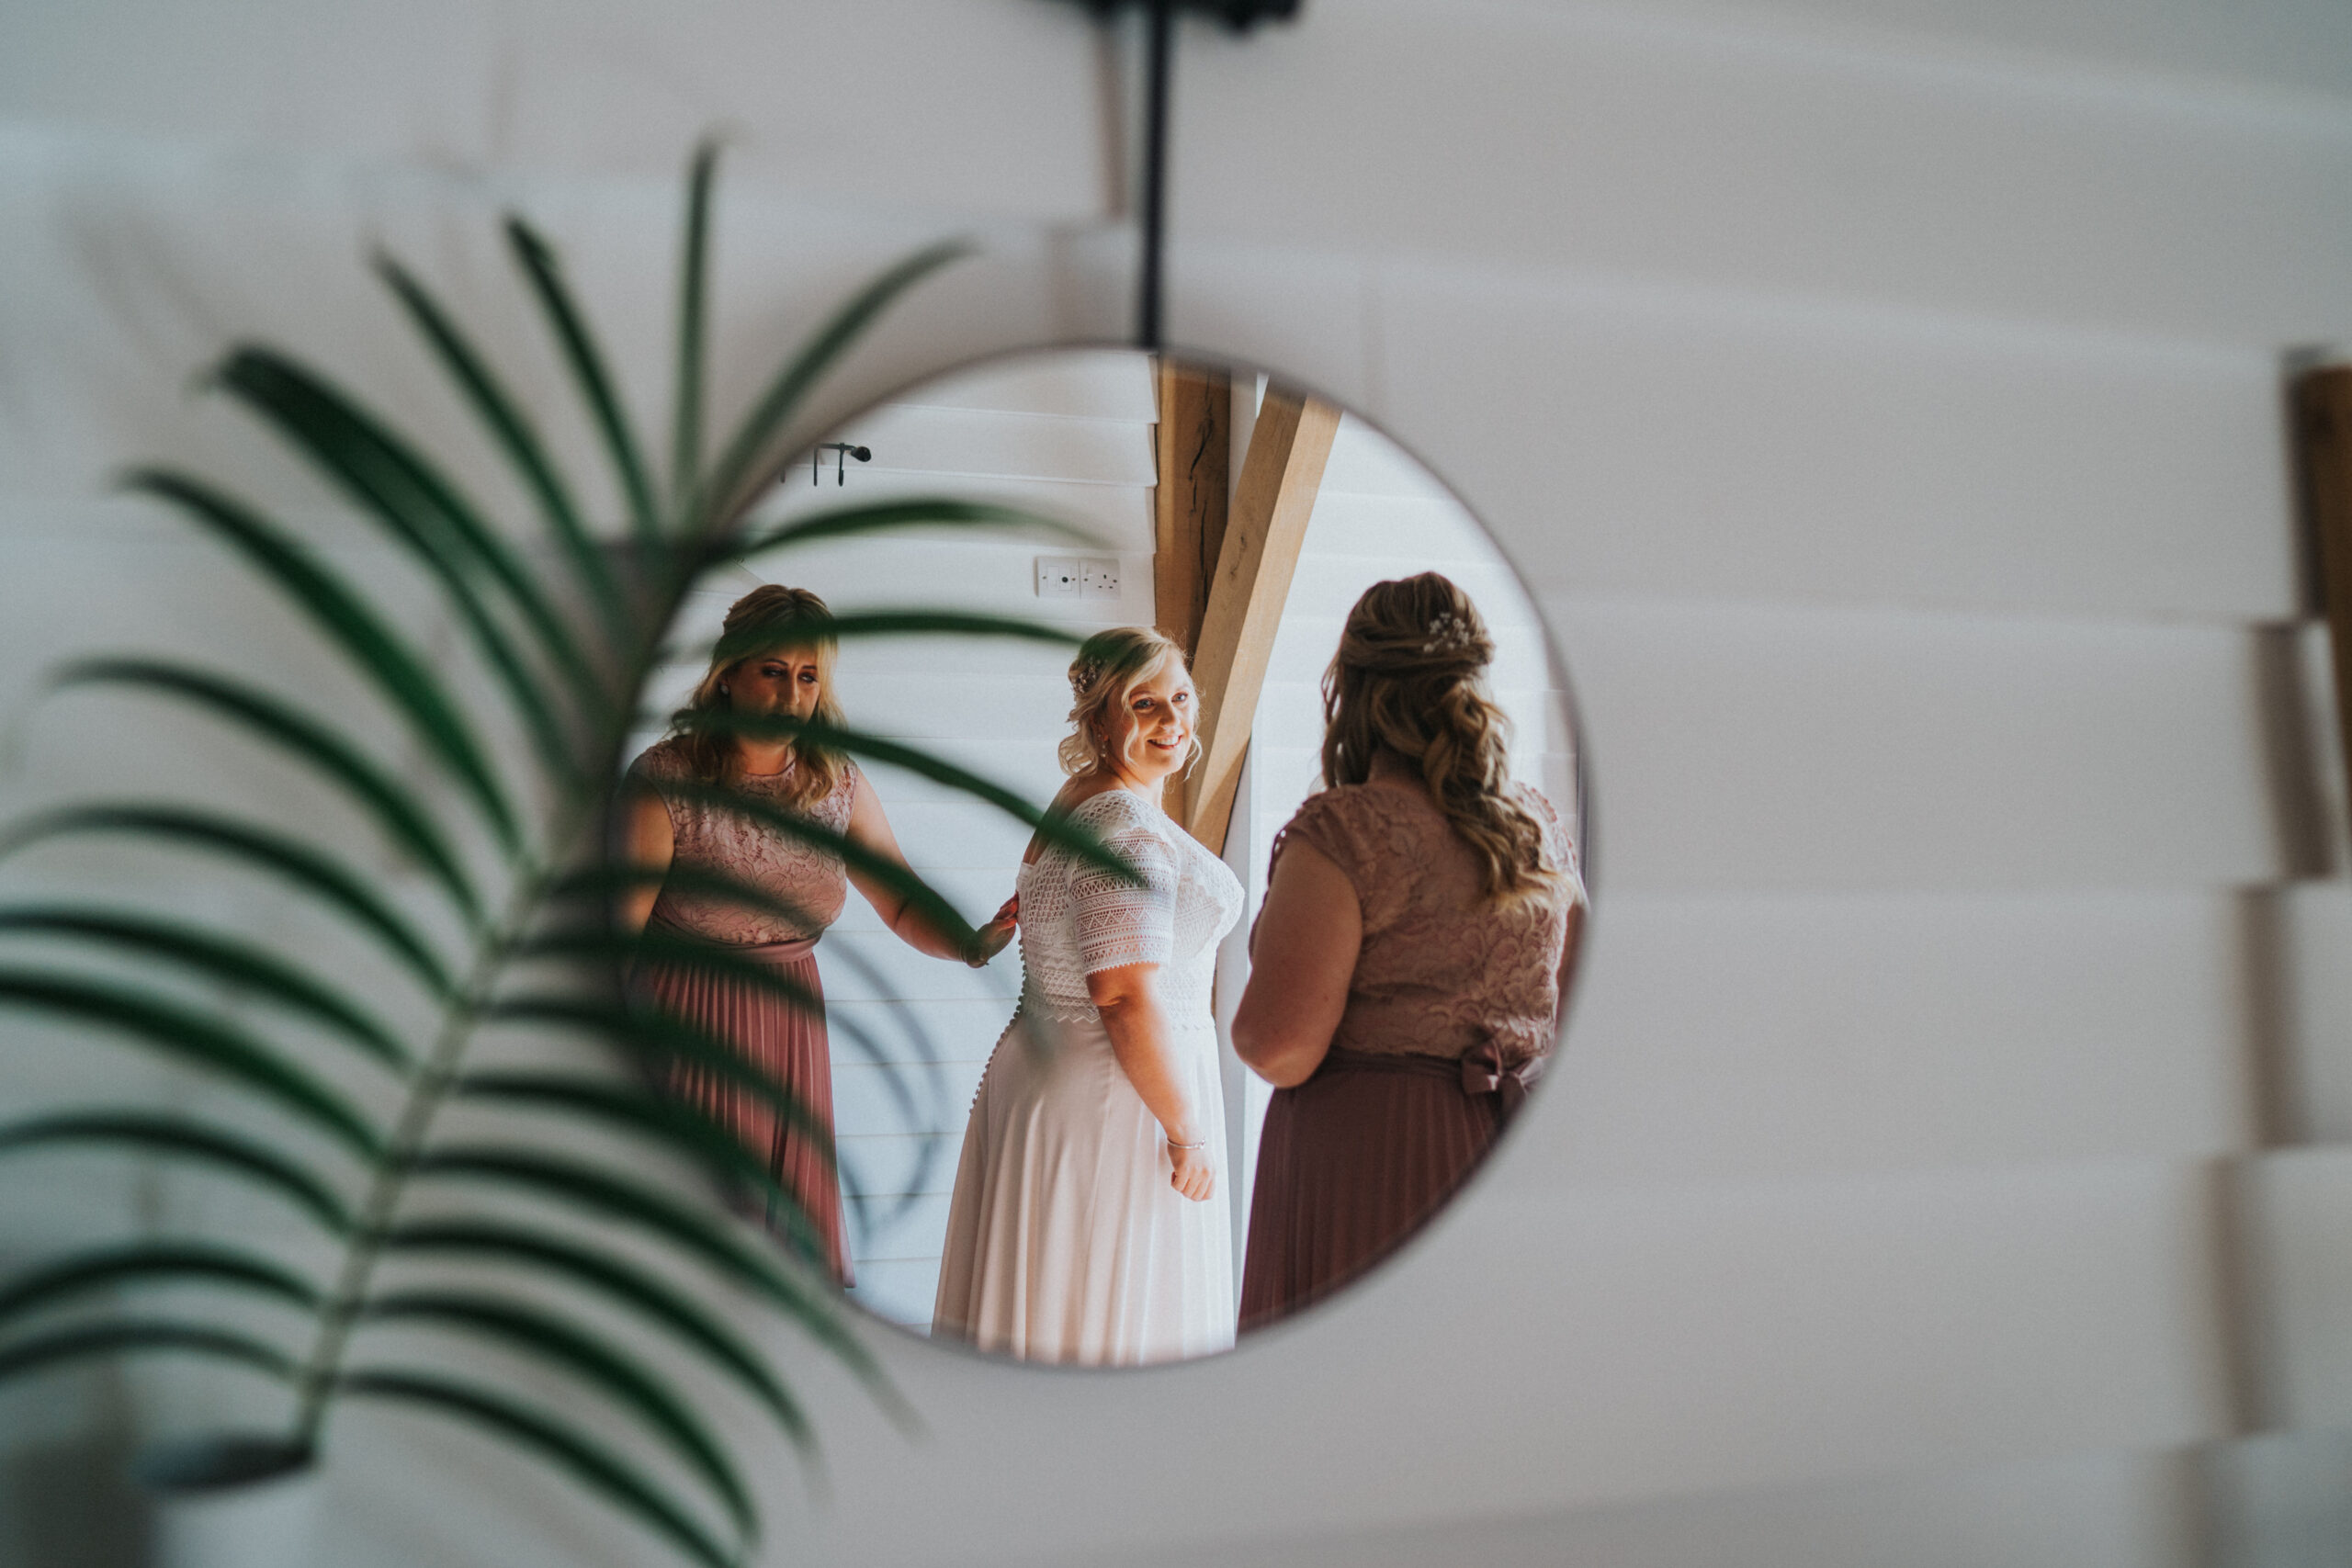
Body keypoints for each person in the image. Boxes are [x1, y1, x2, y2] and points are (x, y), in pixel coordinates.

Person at [616, 584, 1014, 1283]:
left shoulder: (835, 782)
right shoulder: (666, 779)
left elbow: (900, 899)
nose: (790, 694)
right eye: (773, 671)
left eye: (808, 677)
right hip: (688, 1028)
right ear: (729, 671)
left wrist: (970, 942)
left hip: (792, 1033)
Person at [1232, 572, 1585, 1332]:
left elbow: (1278, 1044)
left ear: (1354, 691)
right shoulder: (1539, 832)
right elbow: (1583, 1003)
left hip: (1369, 1159)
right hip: (1503, 1148)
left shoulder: (1346, 832)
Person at [932, 626, 1242, 1365]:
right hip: (1118, 1092)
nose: (1171, 721)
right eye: (1144, 703)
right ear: (1098, 719)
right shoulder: (1125, 829)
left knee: (1061, 1308)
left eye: (1180, 698)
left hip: (1058, 1069)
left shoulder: (1082, 799)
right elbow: (1125, 996)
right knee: (1108, 1322)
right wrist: (1187, 1132)